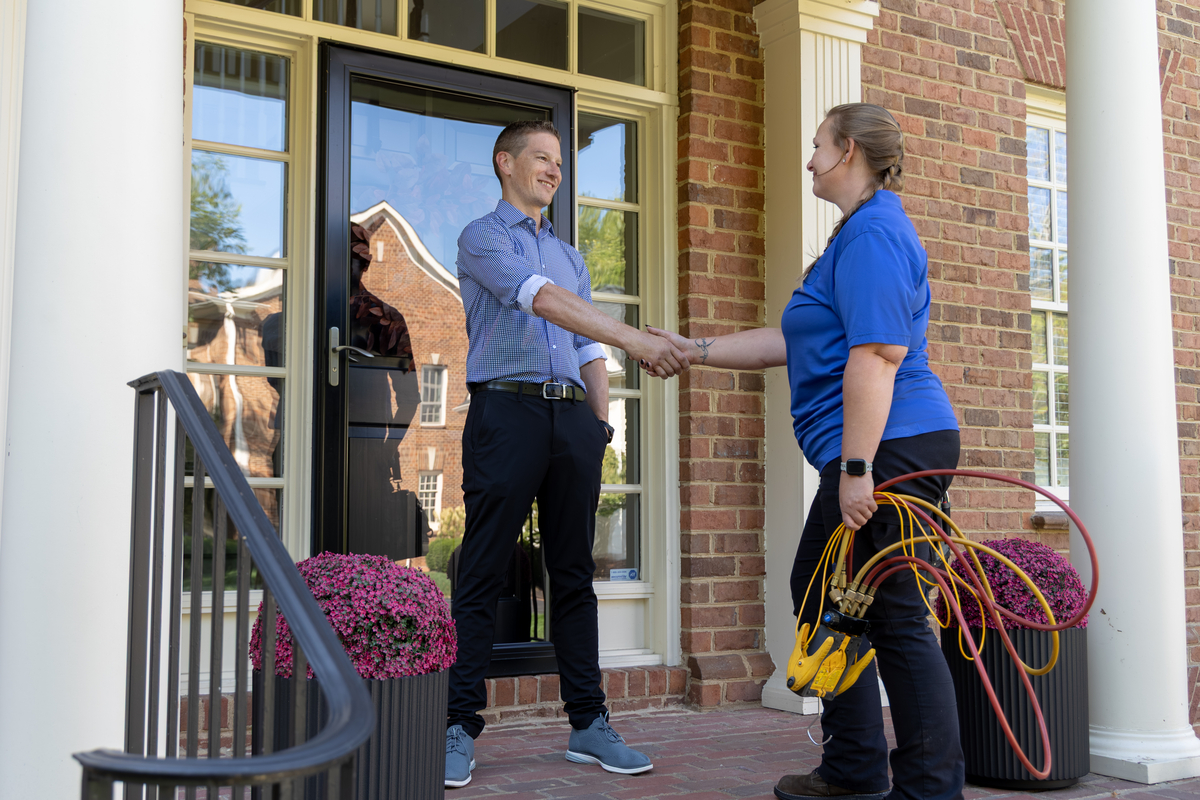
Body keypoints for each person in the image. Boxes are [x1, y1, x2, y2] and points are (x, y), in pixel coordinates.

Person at [649, 103, 964, 800]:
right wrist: (693, 349)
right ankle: (854, 769)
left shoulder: (877, 233)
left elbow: (879, 357)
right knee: (828, 591)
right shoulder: (853, 236)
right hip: (887, 444)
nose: (809, 157)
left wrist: (856, 470)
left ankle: (919, 787)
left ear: (848, 150)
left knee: (893, 611)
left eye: (817, 144)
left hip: (892, 445)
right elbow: (793, 341)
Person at [444, 119, 687, 788]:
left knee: (575, 576)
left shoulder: (571, 255)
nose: (553, 170)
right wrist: (638, 339)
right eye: (541, 158)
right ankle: (456, 725)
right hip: (506, 411)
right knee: (484, 570)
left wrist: (599, 424)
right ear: (506, 163)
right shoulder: (483, 237)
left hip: (569, 418)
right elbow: (541, 302)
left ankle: (589, 723)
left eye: (558, 161)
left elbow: (586, 347)